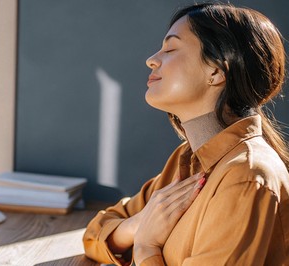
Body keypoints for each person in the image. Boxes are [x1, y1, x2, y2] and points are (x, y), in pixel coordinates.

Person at [83, 2, 289, 266]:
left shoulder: (245, 178)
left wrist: (146, 247)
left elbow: (109, 239)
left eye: (170, 48)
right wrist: (140, 224)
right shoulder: (188, 161)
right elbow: (94, 235)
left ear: (216, 71)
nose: (152, 59)